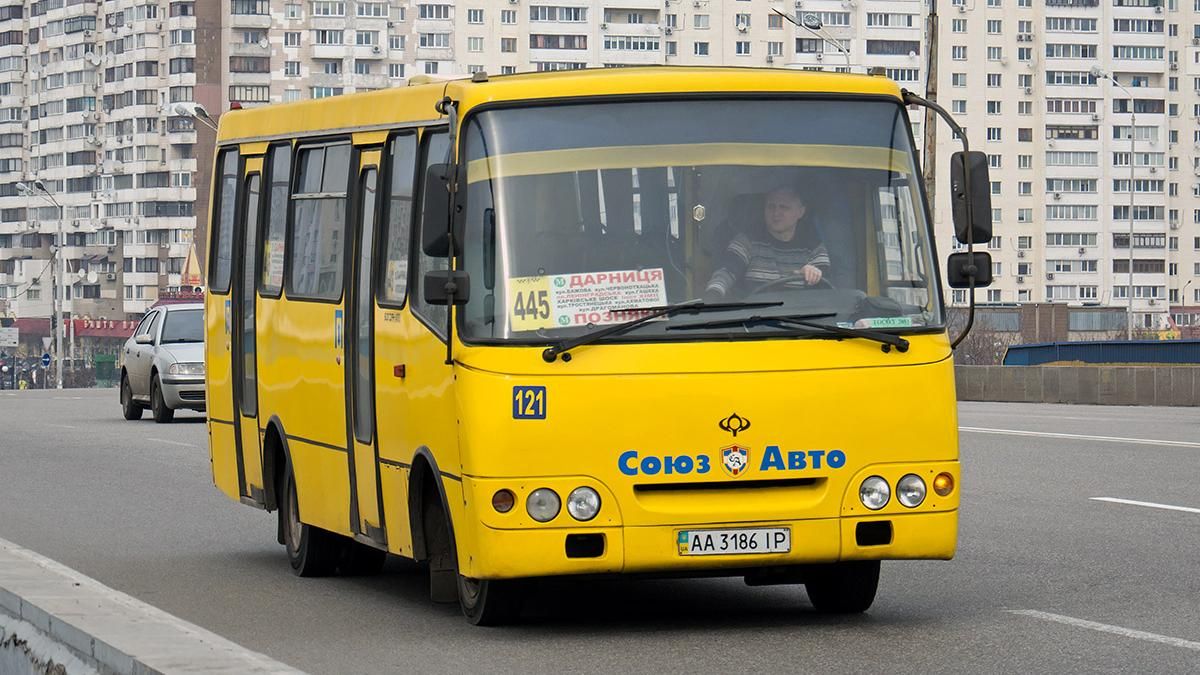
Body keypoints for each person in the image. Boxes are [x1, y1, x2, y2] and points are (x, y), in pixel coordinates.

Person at [704, 186, 831, 299]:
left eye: (784, 207)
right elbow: (727, 272)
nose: (776, 213)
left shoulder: (813, 245)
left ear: (801, 212)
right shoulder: (747, 241)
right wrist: (713, 295)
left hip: (803, 320)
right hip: (753, 320)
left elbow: (827, 283)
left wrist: (813, 273)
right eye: (771, 206)